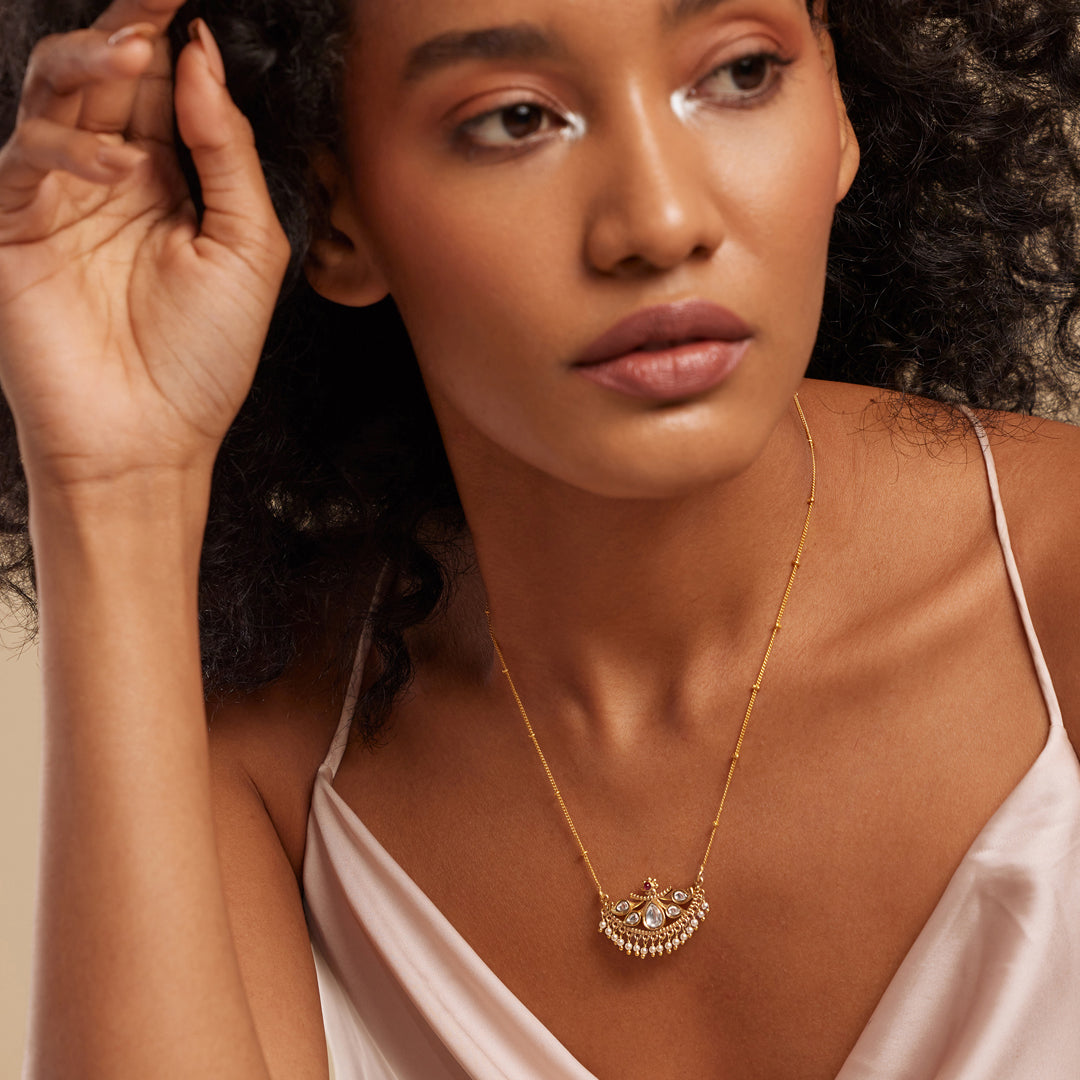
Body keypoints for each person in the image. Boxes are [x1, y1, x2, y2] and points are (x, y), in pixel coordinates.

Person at [1, 0, 1079, 1076]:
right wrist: (114, 486)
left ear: (838, 105)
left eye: (742, 72)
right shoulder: (266, 753)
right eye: (515, 119)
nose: (660, 220)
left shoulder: (1062, 579)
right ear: (332, 213)